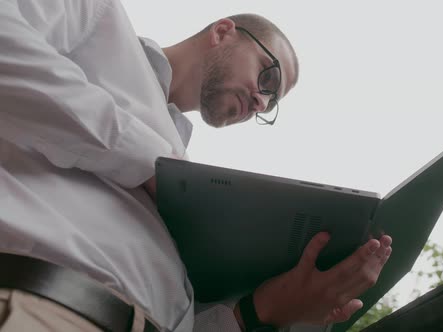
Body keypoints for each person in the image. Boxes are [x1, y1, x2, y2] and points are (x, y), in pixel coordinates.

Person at [0, 1, 392, 331]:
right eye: (267, 76)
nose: (261, 102)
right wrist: (149, 163)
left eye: (270, 105)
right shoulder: (99, 18)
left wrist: (267, 310)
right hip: (44, 303)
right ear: (223, 32)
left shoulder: (191, 191)